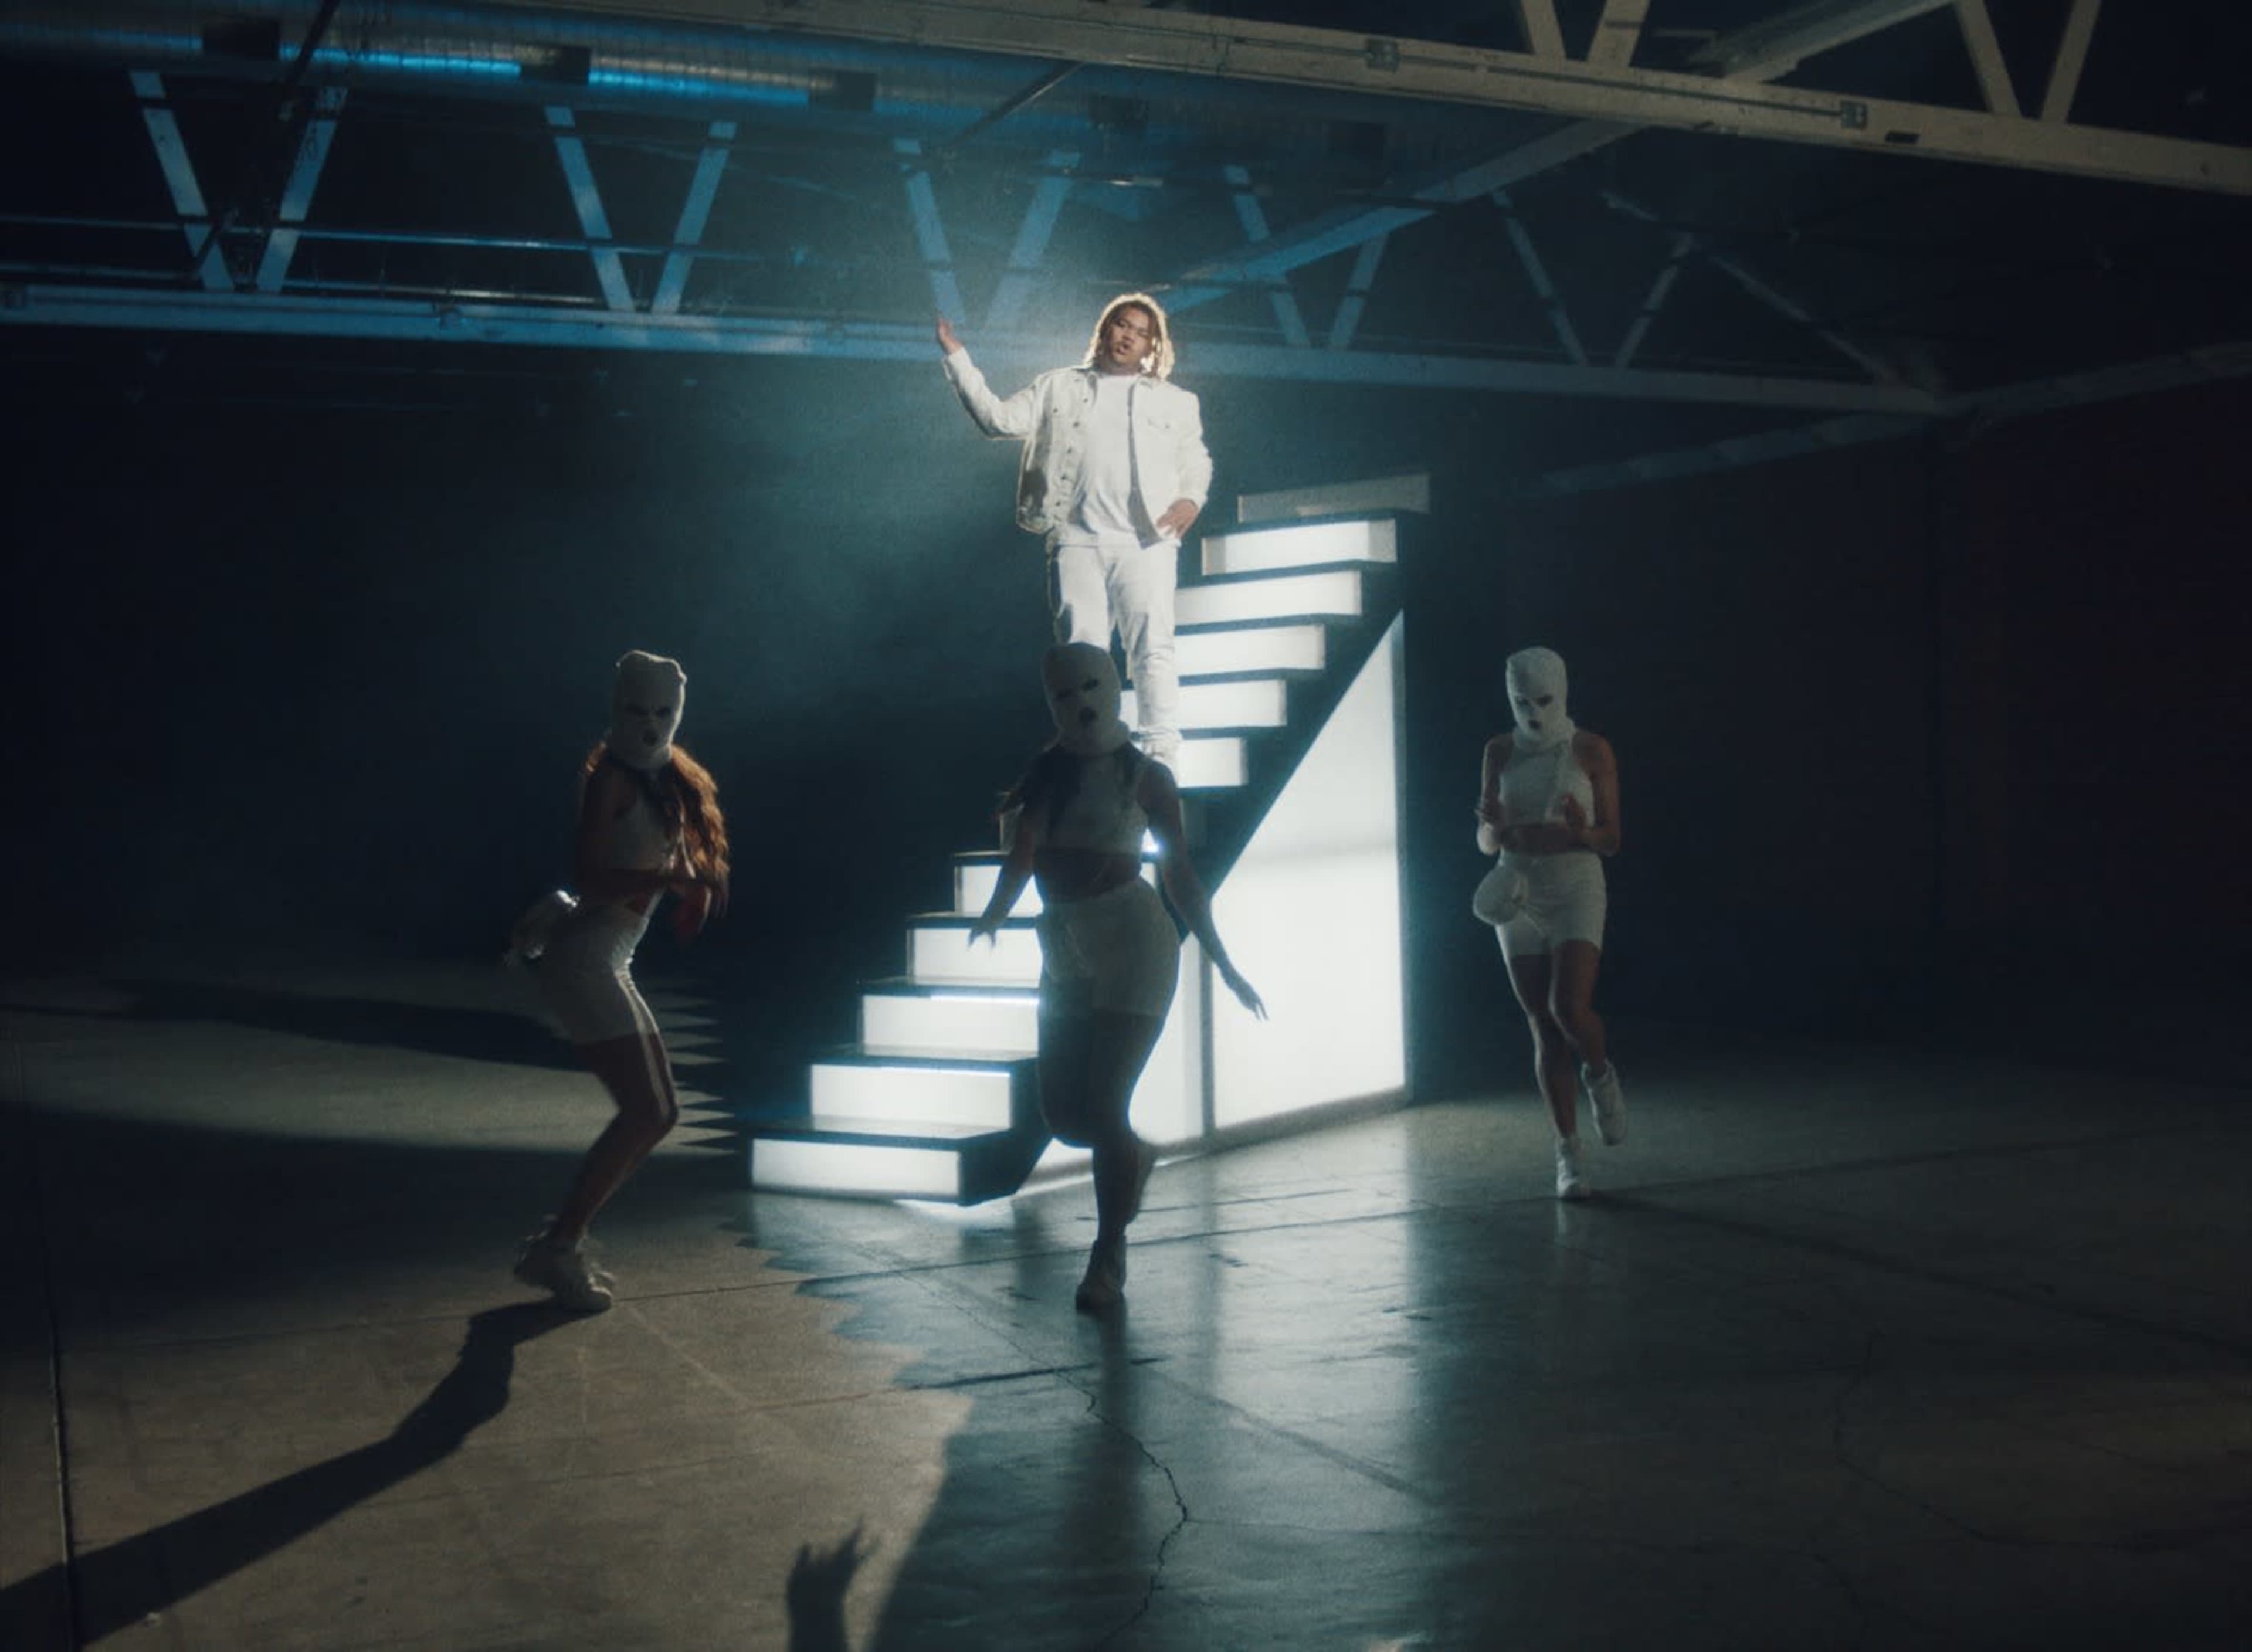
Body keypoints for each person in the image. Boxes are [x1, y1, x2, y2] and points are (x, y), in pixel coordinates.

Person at [971, 642, 1263, 1310]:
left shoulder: (1146, 777)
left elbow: (1179, 873)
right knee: (1065, 1115)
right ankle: (1130, 1156)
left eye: (1090, 688)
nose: (1080, 704)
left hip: (1134, 944)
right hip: (1066, 949)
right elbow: (1021, 856)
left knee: (1105, 1106)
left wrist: (1223, 961)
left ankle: (1108, 1254)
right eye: (1063, 694)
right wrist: (994, 913)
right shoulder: (1046, 774)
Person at [513, 650, 730, 1310]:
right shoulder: (612, 777)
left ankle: (560, 1241)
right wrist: (673, 878)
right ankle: (559, 1246)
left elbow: (673, 859)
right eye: (636, 710)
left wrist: (692, 887)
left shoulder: (667, 777)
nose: (649, 724)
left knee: (657, 1113)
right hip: (585, 959)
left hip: (609, 956)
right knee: (648, 1111)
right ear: (617, 708)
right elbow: (593, 878)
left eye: (663, 712)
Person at [937, 294, 1213, 772]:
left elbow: (1196, 458)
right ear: (1105, 329)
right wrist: (957, 356)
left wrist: (1191, 497)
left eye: (1140, 332)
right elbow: (997, 420)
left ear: (1152, 345)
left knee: (1153, 646)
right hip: (1077, 540)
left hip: (1146, 541)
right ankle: (1091, 752)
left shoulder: (1177, 401)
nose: (1128, 336)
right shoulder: (1058, 387)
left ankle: (1162, 754)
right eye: (1122, 325)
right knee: (1083, 657)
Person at [1475, 646, 1624, 1201]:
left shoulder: (1590, 750)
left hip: (1575, 886)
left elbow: (1611, 839)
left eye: (1543, 699)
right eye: (1522, 701)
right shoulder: (1498, 750)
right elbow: (1486, 840)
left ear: (1561, 692)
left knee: (1569, 1008)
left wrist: (1582, 830)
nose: (1533, 712)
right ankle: (1569, 1155)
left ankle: (1600, 1072)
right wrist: (1492, 828)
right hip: (1517, 887)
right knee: (1541, 1021)